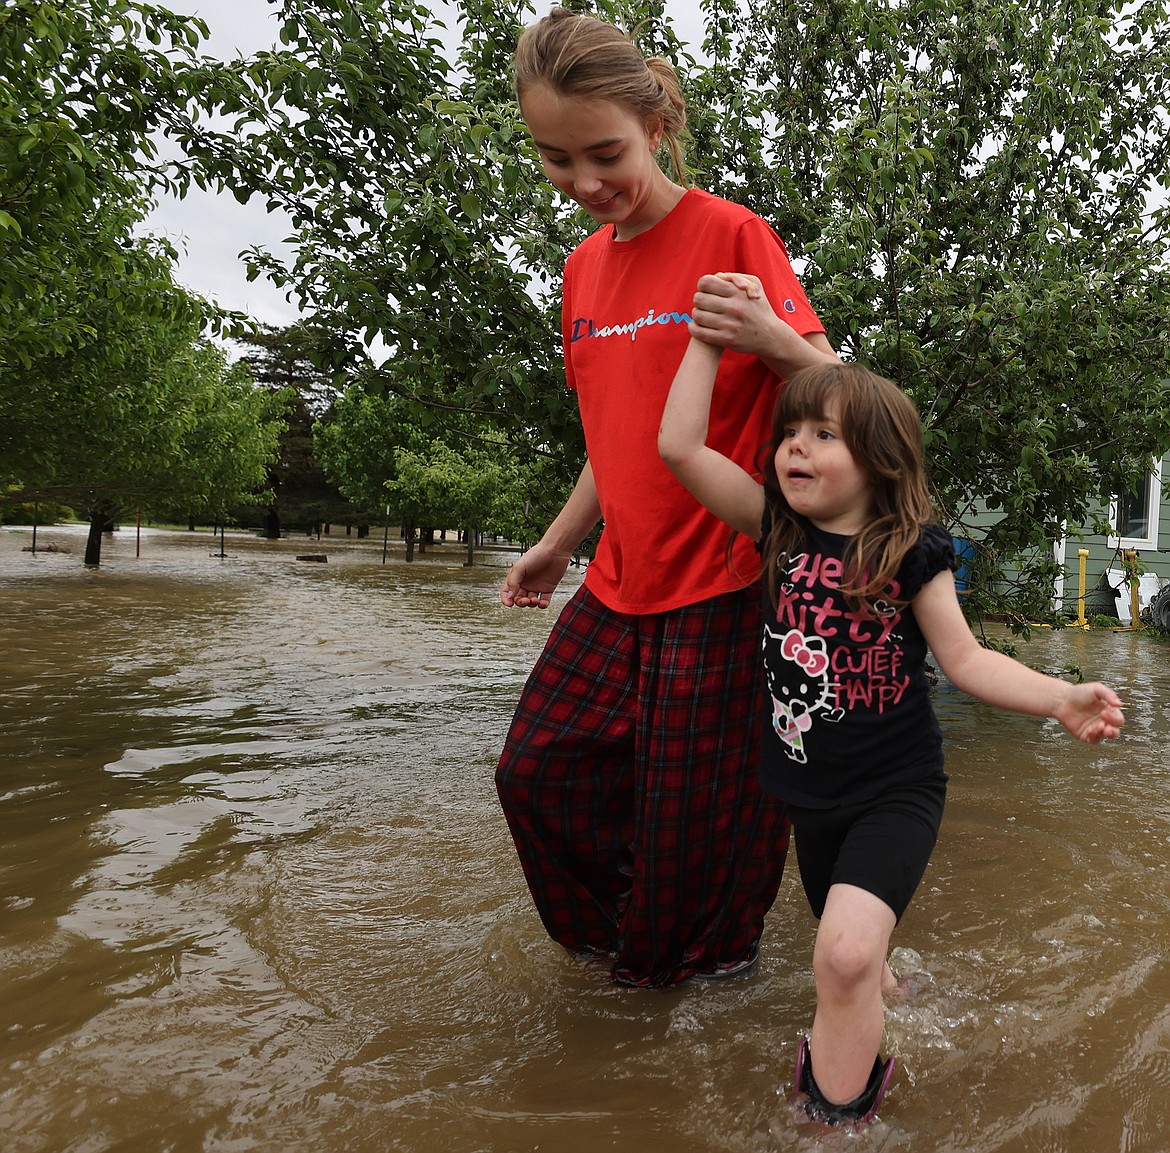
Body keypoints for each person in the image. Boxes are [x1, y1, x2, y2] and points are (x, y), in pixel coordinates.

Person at [658, 281, 1125, 1122]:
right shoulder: (777, 529)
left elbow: (967, 658)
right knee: (857, 961)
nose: (794, 449)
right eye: (787, 434)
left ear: (879, 457)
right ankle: (897, 993)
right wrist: (708, 339)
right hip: (806, 796)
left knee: (836, 958)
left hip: (894, 791)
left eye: (822, 435)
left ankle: (836, 1122)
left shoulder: (912, 553)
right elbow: (680, 447)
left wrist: (1059, 697)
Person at [494, 7, 839, 988]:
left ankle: (697, 983)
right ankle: (633, 958)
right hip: (617, 579)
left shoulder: (730, 232)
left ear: (654, 120)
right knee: (538, 773)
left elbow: (832, 394)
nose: (584, 183)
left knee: (695, 823)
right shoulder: (580, 270)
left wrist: (772, 339)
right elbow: (618, 433)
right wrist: (560, 542)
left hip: (727, 582)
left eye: (603, 152)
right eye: (556, 160)